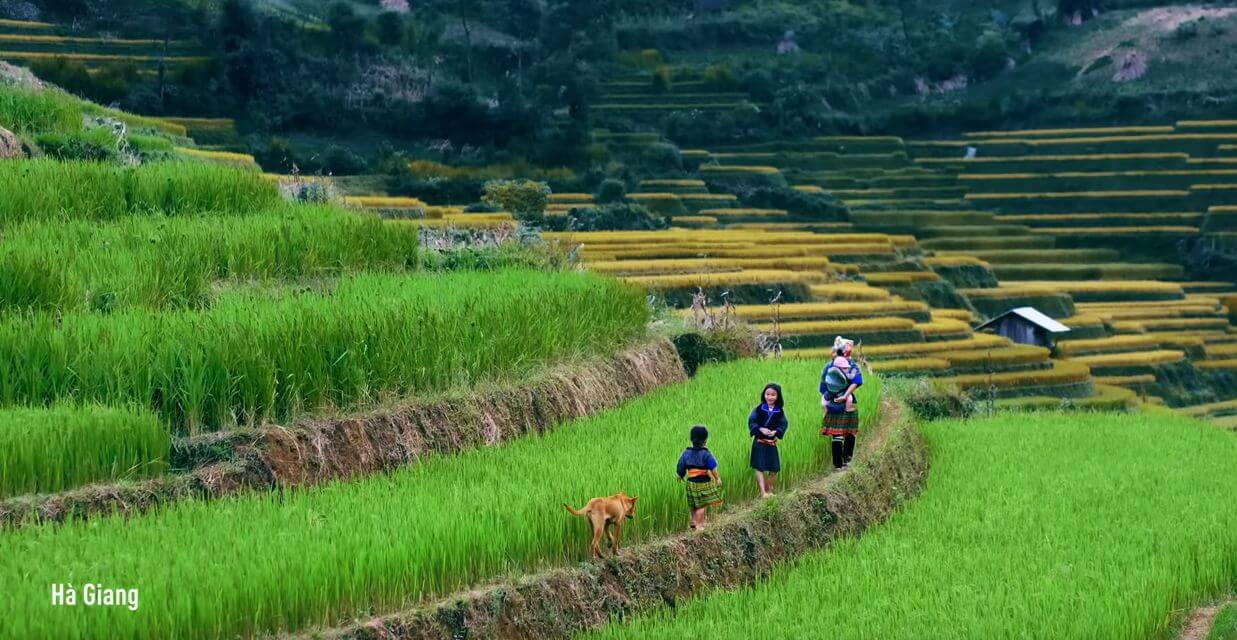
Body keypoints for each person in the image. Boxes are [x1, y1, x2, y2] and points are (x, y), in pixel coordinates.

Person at [821, 336, 863, 469]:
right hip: (846, 403)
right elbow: (857, 381)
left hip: (834, 403)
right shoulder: (852, 366)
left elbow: (822, 387)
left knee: (836, 434)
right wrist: (845, 395)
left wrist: (828, 399)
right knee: (849, 432)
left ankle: (838, 464)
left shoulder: (829, 366)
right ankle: (846, 460)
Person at [676, 425, 723, 530]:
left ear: (691, 439)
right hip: (702, 482)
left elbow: (681, 465)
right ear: (705, 440)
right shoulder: (706, 454)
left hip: (690, 483)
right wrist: (717, 478)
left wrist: (680, 475)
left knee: (693, 504)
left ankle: (694, 523)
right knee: (702, 505)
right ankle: (698, 524)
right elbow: (713, 468)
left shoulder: (686, 453)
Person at [748, 383, 787, 498]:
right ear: (764, 395)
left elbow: (784, 424)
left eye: (773, 395)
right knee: (759, 466)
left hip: (771, 443)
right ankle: (763, 492)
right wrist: (760, 429)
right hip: (759, 441)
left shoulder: (779, 411)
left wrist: (776, 431)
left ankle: (769, 490)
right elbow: (752, 421)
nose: (770, 397)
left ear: (778, 396)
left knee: (774, 467)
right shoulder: (759, 409)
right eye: (767, 394)